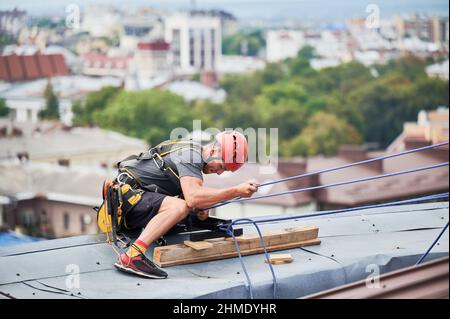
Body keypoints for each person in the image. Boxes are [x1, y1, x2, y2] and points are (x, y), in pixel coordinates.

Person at [112, 130, 258, 279]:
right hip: (126, 201)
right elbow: (193, 198)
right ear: (213, 151)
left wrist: (198, 209)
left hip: (132, 202)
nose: (219, 173)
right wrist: (236, 191)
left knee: (183, 207)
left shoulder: (194, 161)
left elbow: (192, 200)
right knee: (179, 207)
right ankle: (132, 256)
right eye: (222, 166)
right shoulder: (191, 155)